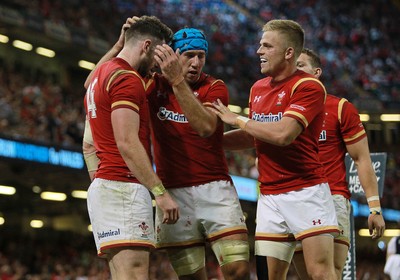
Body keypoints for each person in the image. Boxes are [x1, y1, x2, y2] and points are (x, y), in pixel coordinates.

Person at [84, 22, 250, 280]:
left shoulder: (214, 87)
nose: (196, 63)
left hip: (215, 189)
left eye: (201, 56)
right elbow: (95, 81)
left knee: (237, 271)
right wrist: (120, 45)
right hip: (173, 192)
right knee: (190, 277)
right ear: (172, 55)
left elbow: (206, 128)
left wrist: (177, 81)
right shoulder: (152, 84)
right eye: (188, 55)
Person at [212, 19, 339, 279]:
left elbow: (282, 135)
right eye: (260, 45)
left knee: (320, 274)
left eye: (267, 46)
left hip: (306, 192)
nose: (259, 51)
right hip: (269, 196)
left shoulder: (308, 86)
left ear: (288, 52)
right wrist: (211, 142)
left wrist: (236, 119)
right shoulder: (257, 89)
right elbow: (255, 135)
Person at [82, 15, 179, 280]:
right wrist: (159, 192)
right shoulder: (127, 78)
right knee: (135, 275)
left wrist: (116, 46)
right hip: (123, 186)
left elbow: (88, 143)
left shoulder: (99, 76)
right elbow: (127, 141)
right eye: (158, 53)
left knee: (122, 274)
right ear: (146, 46)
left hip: (106, 187)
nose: (158, 65)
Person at [292, 48, 386, 279]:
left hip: (330, 196)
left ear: (317, 72)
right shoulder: (281, 108)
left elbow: (362, 159)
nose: (295, 71)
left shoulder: (340, 108)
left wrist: (374, 207)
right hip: (290, 198)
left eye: (301, 65)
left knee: (328, 273)